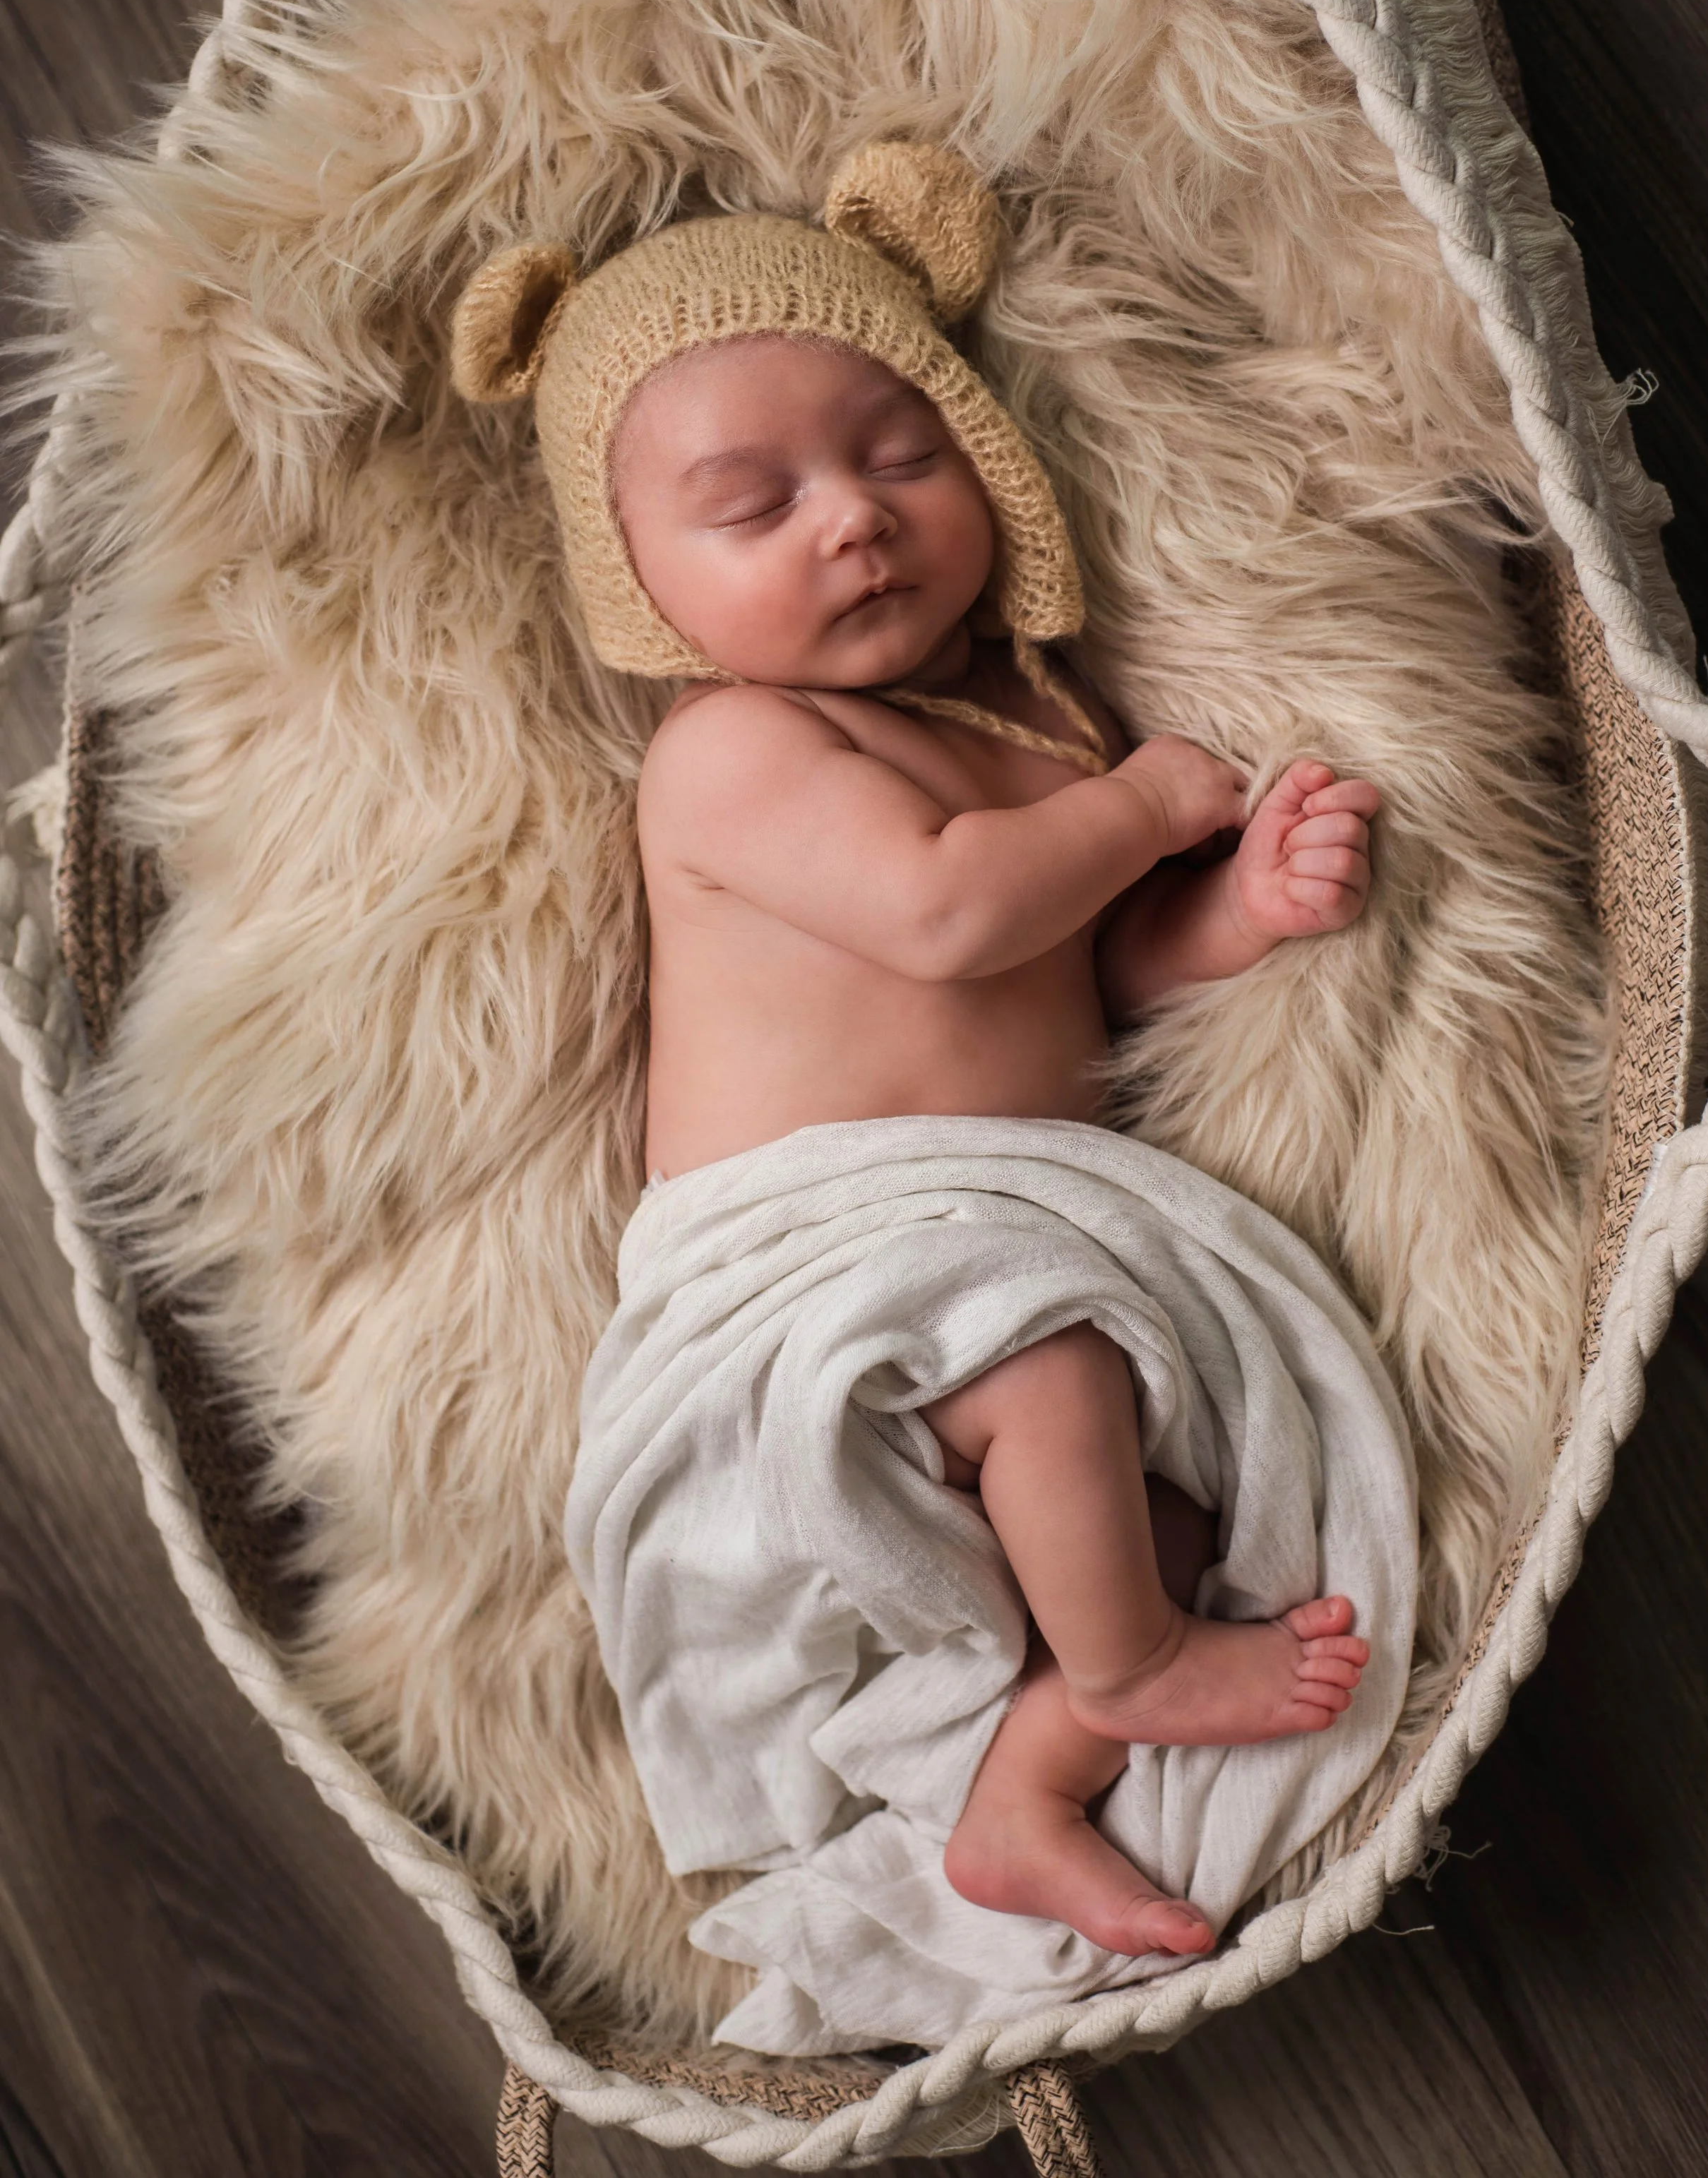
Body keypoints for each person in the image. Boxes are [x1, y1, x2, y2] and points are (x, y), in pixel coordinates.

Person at [453, 143, 1381, 1964]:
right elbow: (952, 916)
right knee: (1043, 1372)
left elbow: (1085, 972)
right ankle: (1134, 1670)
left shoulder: (1034, 714)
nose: (852, 521)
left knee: (1172, 1498)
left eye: (900, 456)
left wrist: (1236, 912)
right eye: (753, 505)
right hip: (803, 1257)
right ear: (640, 586)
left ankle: (1022, 1788)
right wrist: (1143, 802)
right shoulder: (730, 754)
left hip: (996, 1231)